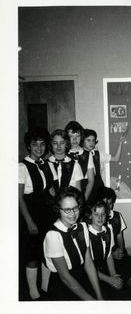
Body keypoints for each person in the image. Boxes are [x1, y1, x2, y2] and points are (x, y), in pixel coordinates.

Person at [43, 186, 103, 300]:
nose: (73, 213)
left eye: (75, 208)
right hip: (63, 284)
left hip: (82, 276)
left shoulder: (83, 226)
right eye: (67, 210)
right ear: (58, 209)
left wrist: (99, 296)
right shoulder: (53, 235)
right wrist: (90, 300)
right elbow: (65, 277)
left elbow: (89, 264)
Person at [19, 128, 57, 300]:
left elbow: (51, 191)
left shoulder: (47, 164)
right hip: (31, 213)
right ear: (28, 146)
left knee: (47, 252)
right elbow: (18, 198)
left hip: (47, 213)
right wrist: (29, 222)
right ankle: (33, 293)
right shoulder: (22, 166)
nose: (39, 148)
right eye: (35, 145)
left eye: (42, 144)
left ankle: (46, 287)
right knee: (32, 254)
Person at [83, 200, 131, 299]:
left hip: (104, 269)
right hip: (89, 274)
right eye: (96, 214)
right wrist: (109, 280)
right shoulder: (86, 233)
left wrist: (113, 275)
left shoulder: (108, 230)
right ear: (90, 216)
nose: (100, 217)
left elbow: (108, 256)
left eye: (103, 214)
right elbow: (88, 267)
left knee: (126, 293)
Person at [96, 187, 131, 283]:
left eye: (110, 203)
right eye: (104, 204)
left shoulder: (116, 215)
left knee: (130, 263)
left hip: (115, 249)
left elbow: (120, 236)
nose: (107, 206)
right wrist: (111, 254)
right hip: (103, 253)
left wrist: (121, 250)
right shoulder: (97, 218)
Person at [82, 128, 127, 204]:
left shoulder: (98, 154)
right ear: (82, 141)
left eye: (93, 140)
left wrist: (120, 143)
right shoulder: (78, 155)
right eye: (88, 140)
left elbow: (116, 159)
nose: (91, 143)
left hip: (98, 185)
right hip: (84, 185)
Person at [64, 121, 95, 201]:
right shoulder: (64, 154)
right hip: (66, 189)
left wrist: (84, 198)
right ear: (67, 137)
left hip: (83, 189)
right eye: (71, 136)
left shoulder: (87, 154)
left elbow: (91, 180)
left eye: (77, 136)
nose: (74, 139)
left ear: (81, 137)